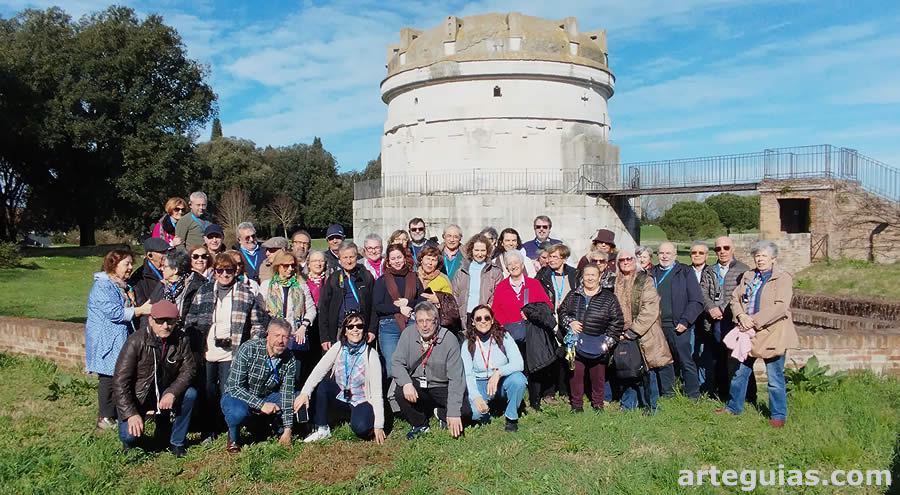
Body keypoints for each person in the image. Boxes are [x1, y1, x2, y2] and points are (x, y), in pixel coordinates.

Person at [183, 253, 267, 442]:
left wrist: (251, 345)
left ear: (235, 271)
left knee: (228, 392)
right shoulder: (204, 291)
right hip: (206, 351)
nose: (224, 274)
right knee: (207, 392)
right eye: (220, 270)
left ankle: (231, 431)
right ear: (214, 272)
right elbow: (190, 318)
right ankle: (209, 429)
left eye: (229, 270)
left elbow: (258, 324)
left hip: (232, 353)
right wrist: (194, 339)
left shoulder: (246, 294)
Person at [717, 241, 798, 428]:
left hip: (772, 333)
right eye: (757, 256)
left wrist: (753, 320)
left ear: (773, 259)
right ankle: (733, 407)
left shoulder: (783, 278)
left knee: (774, 377)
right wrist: (740, 316)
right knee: (739, 373)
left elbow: (780, 306)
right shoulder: (748, 275)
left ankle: (778, 414)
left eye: (764, 256)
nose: (760, 259)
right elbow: (735, 298)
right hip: (747, 333)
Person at [112, 301, 196, 457]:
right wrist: (131, 414)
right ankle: (132, 439)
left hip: (165, 392)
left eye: (170, 321)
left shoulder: (181, 339)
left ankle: (176, 442)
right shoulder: (135, 341)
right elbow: (120, 382)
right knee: (129, 437)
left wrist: (172, 391)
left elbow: (189, 370)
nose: (165, 326)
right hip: (139, 395)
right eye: (160, 321)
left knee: (190, 394)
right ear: (150, 320)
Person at [85, 246, 152, 430]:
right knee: (108, 376)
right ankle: (105, 417)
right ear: (113, 264)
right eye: (127, 263)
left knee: (120, 375)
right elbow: (115, 313)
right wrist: (140, 310)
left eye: (131, 263)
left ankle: (116, 413)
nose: (130, 267)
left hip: (119, 338)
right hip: (106, 339)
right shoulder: (103, 286)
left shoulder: (120, 285)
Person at [296, 311, 386, 444]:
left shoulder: (370, 355)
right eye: (350, 327)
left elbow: (378, 393)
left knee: (361, 429)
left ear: (364, 330)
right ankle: (322, 428)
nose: (355, 330)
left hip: (360, 399)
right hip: (340, 394)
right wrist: (305, 392)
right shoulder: (338, 347)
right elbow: (319, 370)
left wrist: (379, 425)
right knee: (323, 385)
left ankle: (357, 417)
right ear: (345, 331)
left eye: (359, 326)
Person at [391, 301, 469, 440]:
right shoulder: (408, 334)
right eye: (420, 321)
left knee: (465, 411)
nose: (424, 325)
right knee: (400, 391)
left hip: (442, 385)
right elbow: (396, 362)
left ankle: (441, 413)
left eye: (428, 320)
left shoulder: (449, 339)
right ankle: (420, 424)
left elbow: (456, 378)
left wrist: (453, 412)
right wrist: (406, 383)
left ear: (436, 321)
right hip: (418, 384)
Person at [491, 250, 555, 410]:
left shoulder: (533, 284)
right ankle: (515, 401)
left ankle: (535, 401)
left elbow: (547, 306)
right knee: (514, 367)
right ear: (506, 267)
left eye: (516, 263)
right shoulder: (501, 286)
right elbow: (495, 311)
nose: (513, 266)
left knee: (533, 367)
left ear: (522, 265)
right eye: (509, 264)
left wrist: (531, 313)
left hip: (531, 332)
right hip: (510, 333)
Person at [221, 319, 297, 452]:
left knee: (295, 399)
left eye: (285, 337)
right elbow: (234, 386)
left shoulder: (289, 358)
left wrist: (288, 429)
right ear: (267, 335)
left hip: (266, 395)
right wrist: (260, 405)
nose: (281, 341)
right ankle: (233, 437)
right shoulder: (249, 348)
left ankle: (277, 431)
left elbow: (286, 393)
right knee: (237, 412)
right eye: (277, 335)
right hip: (239, 395)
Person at [557, 263, 623, 412]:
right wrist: (570, 322)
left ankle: (598, 404)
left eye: (593, 275)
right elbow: (562, 312)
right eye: (587, 275)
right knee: (575, 375)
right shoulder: (573, 295)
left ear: (599, 277)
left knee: (598, 377)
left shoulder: (609, 297)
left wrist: (607, 343)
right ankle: (576, 405)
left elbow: (617, 321)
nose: (590, 278)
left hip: (599, 342)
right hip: (576, 342)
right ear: (582, 277)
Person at [614, 250, 673, 414]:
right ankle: (627, 404)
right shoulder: (615, 282)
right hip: (622, 332)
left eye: (629, 259)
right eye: (622, 260)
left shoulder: (645, 280)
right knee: (626, 368)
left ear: (635, 261)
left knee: (647, 371)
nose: (626, 262)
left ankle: (650, 405)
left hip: (644, 333)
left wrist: (634, 330)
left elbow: (651, 309)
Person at [698, 236, 750, 400]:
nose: (722, 251)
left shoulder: (743, 269)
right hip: (714, 321)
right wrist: (711, 308)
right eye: (718, 249)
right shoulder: (710, 270)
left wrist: (720, 308)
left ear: (732, 249)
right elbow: (702, 292)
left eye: (726, 248)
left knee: (737, 359)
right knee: (717, 358)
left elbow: (740, 294)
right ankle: (721, 393)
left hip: (733, 320)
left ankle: (747, 395)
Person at [650, 242, 703, 399]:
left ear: (675, 255)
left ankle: (693, 394)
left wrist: (685, 321)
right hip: (656, 326)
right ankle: (667, 393)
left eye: (668, 253)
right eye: (661, 253)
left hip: (678, 325)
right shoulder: (651, 273)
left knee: (686, 361)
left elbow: (696, 300)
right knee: (663, 361)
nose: (664, 256)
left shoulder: (685, 272)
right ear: (657, 255)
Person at [462, 305, 527, 431]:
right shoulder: (467, 344)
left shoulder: (504, 336)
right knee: (475, 414)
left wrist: (499, 373)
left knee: (519, 379)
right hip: (480, 383)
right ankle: (485, 413)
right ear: (473, 322)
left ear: (492, 320)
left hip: (501, 381)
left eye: (487, 317)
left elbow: (519, 363)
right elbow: (467, 374)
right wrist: (476, 396)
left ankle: (511, 416)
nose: (483, 321)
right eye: (478, 318)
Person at [259, 251, 316, 381]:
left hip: (295, 337)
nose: (290, 269)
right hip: (273, 339)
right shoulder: (266, 286)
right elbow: (260, 309)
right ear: (278, 266)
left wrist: (303, 327)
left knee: (293, 377)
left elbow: (311, 309)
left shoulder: (301, 286)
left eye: (292, 265)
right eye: (286, 265)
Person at [373, 244, 423, 376]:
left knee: (413, 363)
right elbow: (378, 306)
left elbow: (423, 301)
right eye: (393, 258)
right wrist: (399, 308)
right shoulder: (382, 281)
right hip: (388, 326)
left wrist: (409, 302)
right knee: (392, 365)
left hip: (411, 324)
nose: (397, 261)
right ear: (388, 261)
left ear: (404, 258)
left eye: (399, 257)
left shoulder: (414, 278)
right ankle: (394, 395)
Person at [318, 241, 376, 352]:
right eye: (345, 257)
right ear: (339, 259)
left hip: (361, 328)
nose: (348, 261)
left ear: (357, 257)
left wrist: (372, 329)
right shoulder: (333, 279)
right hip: (339, 329)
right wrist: (325, 337)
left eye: (351, 257)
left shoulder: (366, 276)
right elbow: (324, 309)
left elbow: (373, 305)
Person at [133, 249, 205, 332]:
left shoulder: (196, 286)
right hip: (163, 333)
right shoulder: (162, 285)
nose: (162, 269)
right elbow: (150, 312)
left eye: (165, 266)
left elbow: (199, 319)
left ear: (175, 270)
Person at [452, 234, 503, 321]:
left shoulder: (495, 271)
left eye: (483, 250)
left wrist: (489, 307)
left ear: (487, 251)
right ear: (471, 250)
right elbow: (455, 293)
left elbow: (498, 294)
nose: (479, 254)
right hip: (465, 315)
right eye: (476, 250)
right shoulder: (461, 270)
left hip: (485, 316)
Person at [536, 244, 578, 309]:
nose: (551, 260)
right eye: (550, 256)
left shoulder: (574, 273)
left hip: (569, 313)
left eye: (555, 257)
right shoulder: (543, 274)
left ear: (564, 259)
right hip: (550, 313)